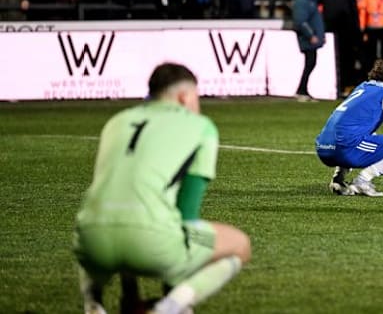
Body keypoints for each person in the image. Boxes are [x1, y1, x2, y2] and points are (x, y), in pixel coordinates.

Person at [73, 63, 251, 314]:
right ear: (184, 96)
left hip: (90, 241)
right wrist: (174, 281)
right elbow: (187, 212)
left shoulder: (117, 121)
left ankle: (93, 304)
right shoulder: (201, 126)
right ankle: (171, 307)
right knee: (239, 244)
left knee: (111, 225)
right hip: (151, 242)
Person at [315, 55, 383, 197]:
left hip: (323, 148)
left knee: (359, 136)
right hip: (343, 149)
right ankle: (362, 181)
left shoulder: (364, 86)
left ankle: (339, 179)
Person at [293, 0, 325, 102]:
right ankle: (301, 91)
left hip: (311, 38)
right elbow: (301, 21)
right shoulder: (302, 2)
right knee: (310, 63)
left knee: (310, 63)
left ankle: (303, 90)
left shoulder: (309, 0)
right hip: (307, 39)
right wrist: (311, 35)